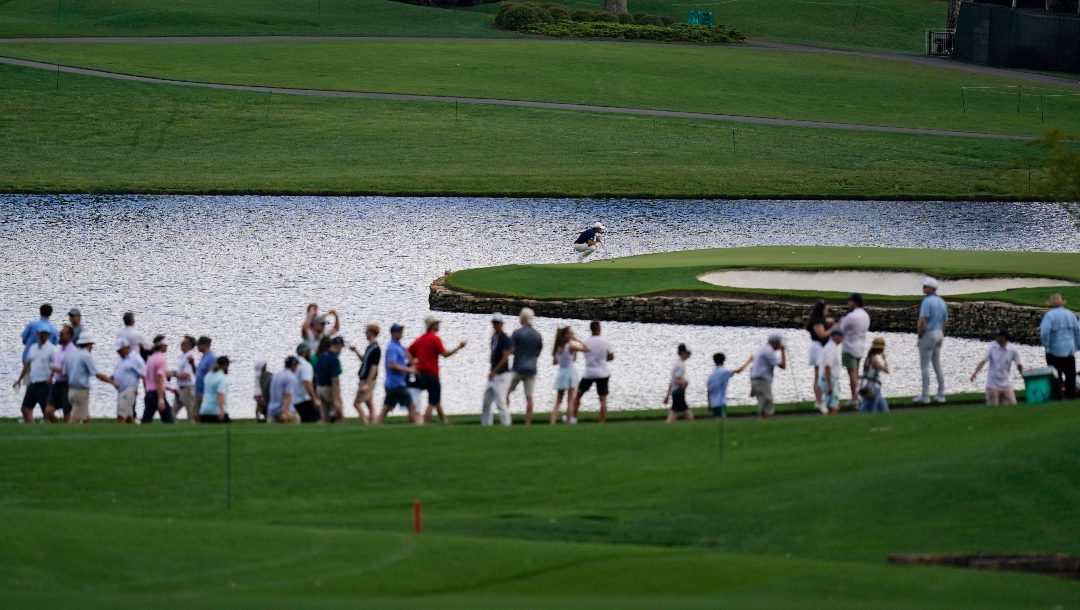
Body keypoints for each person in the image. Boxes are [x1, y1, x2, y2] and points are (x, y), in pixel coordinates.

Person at [408, 315, 467, 425]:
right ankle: (425, 423)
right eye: (437, 323)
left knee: (436, 399)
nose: (439, 325)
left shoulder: (420, 339)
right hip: (432, 374)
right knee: (432, 401)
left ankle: (444, 421)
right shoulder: (435, 338)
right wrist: (459, 347)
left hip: (420, 374)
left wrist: (413, 362)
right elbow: (445, 354)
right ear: (432, 325)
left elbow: (407, 351)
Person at [63, 334, 120, 424]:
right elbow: (97, 374)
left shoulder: (71, 354)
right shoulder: (86, 355)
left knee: (85, 417)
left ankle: (88, 435)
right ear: (88, 344)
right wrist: (113, 382)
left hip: (71, 391)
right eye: (91, 345)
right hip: (81, 391)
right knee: (75, 418)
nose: (92, 347)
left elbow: (65, 372)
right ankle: (68, 435)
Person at [1039, 293, 1080, 400]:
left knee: (1055, 376)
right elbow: (1077, 331)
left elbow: (1044, 332)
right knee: (1070, 375)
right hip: (1070, 349)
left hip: (1054, 350)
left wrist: (1046, 345)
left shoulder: (1050, 316)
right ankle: (1071, 396)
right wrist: (1076, 345)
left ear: (1051, 305)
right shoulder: (1070, 314)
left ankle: (1057, 397)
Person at [573, 320, 614, 424]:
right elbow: (611, 357)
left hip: (589, 373)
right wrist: (604, 358)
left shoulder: (586, 341)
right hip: (602, 372)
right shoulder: (605, 341)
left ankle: (573, 418)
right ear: (599, 329)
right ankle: (602, 422)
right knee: (603, 400)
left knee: (578, 395)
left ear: (590, 329)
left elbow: (583, 352)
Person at [915, 277, 948, 404]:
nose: (923, 288)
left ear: (931, 288)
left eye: (925, 287)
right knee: (937, 365)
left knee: (925, 366)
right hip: (939, 333)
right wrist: (941, 333)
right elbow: (945, 321)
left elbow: (923, 321)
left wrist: (920, 335)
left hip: (929, 333)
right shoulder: (941, 301)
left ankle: (925, 395)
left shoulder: (927, 302)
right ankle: (941, 394)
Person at [507, 308, 543, 425]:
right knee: (529, 397)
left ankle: (506, 418)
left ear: (523, 319)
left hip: (518, 367)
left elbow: (512, 350)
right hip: (532, 368)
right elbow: (538, 352)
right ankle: (528, 423)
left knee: (505, 393)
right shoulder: (537, 335)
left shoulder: (517, 333)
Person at [13, 327, 56, 423]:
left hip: (44, 383)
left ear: (48, 335)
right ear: (37, 335)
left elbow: (56, 365)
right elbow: (27, 365)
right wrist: (19, 380)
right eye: (40, 334)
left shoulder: (52, 349)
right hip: (33, 382)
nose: (42, 336)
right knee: (25, 409)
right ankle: (32, 428)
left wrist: (51, 376)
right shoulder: (33, 348)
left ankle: (55, 429)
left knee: (46, 412)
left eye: (44, 334)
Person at [381, 323, 421, 425]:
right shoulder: (392, 348)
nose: (401, 333)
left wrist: (414, 362)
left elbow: (408, 354)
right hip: (396, 384)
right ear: (393, 333)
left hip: (393, 384)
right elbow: (391, 365)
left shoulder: (398, 346)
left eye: (401, 331)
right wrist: (409, 370)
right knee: (411, 405)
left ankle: (375, 425)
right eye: (398, 331)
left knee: (386, 408)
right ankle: (416, 426)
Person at [972, 329, 1024, 405]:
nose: (997, 339)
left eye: (999, 337)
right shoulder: (992, 347)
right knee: (992, 409)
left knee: (1013, 405)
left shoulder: (1012, 350)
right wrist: (975, 373)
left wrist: (1023, 375)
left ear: (1004, 337)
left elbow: (1018, 364)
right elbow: (983, 361)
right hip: (992, 385)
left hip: (1006, 384)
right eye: (996, 336)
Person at [481, 313, 515, 426]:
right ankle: (486, 425)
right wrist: (492, 371)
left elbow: (505, 358)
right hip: (494, 375)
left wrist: (494, 371)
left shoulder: (505, 339)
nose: (495, 326)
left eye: (497, 323)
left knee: (501, 402)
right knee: (486, 401)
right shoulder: (493, 338)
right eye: (494, 323)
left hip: (502, 375)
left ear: (501, 324)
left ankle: (506, 424)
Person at [551, 326, 589, 424]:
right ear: (566, 335)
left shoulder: (558, 347)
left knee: (558, 401)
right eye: (571, 333)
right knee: (570, 400)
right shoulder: (571, 346)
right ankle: (569, 422)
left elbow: (555, 362)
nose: (573, 335)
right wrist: (577, 339)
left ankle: (552, 422)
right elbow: (587, 349)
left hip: (561, 372)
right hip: (570, 372)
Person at [839, 293, 870, 409]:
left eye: (850, 301)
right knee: (856, 373)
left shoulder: (851, 316)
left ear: (855, 303)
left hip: (849, 347)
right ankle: (857, 397)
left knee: (852, 374)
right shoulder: (865, 315)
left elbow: (841, 329)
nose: (848, 303)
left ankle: (854, 398)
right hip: (861, 347)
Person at [350, 324, 383, 424]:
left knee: (356, 403)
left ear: (371, 333)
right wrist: (355, 351)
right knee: (370, 404)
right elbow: (365, 361)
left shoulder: (376, 349)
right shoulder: (370, 347)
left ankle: (365, 423)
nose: (365, 333)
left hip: (367, 380)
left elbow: (373, 368)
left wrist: (366, 385)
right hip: (365, 380)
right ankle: (374, 423)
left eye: (366, 331)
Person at [750, 333, 787, 419]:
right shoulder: (768, 351)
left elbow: (752, 369)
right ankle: (766, 420)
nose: (780, 345)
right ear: (774, 342)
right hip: (762, 380)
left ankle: (763, 420)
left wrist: (752, 387)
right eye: (779, 343)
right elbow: (783, 366)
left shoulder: (763, 349)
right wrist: (783, 351)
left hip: (757, 380)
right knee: (767, 402)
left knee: (763, 402)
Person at [706, 352, 752, 418]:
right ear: (724, 360)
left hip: (714, 403)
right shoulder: (724, 372)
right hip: (721, 402)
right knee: (722, 421)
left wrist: (709, 404)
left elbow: (709, 391)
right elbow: (739, 370)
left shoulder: (711, 376)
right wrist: (749, 361)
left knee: (717, 421)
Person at [46, 324, 77, 423]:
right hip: (57, 384)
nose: (60, 336)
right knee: (49, 411)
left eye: (62, 334)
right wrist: (51, 375)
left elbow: (72, 371)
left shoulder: (72, 351)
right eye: (60, 334)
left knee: (67, 415)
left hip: (67, 385)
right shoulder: (59, 349)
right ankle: (59, 429)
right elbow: (56, 365)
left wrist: (57, 370)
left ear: (69, 336)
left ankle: (69, 435)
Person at [805, 300, 832, 413]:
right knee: (819, 375)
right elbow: (822, 335)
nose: (828, 311)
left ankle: (819, 400)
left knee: (821, 374)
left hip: (821, 348)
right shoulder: (817, 322)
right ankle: (820, 401)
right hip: (818, 348)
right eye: (826, 309)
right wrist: (833, 328)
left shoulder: (820, 321)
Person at [142, 336, 174, 423]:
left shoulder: (150, 359)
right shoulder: (161, 358)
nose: (167, 346)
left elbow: (147, 378)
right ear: (161, 346)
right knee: (169, 421)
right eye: (165, 345)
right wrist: (160, 398)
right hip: (157, 393)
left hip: (149, 393)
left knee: (146, 421)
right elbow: (158, 378)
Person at [112, 341, 145, 424]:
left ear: (126, 348)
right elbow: (118, 372)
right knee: (129, 417)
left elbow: (144, 374)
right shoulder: (122, 358)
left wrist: (140, 389)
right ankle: (136, 431)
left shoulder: (135, 358)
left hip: (129, 389)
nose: (118, 352)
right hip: (121, 390)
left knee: (121, 416)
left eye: (120, 350)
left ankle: (121, 435)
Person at [315, 336, 346, 423]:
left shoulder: (321, 356)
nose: (341, 350)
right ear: (338, 345)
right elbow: (334, 381)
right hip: (329, 390)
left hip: (319, 389)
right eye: (341, 347)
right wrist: (337, 399)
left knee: (325, 418)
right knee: (338, 416)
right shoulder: (334, 359)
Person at [859, 336, 890, 414]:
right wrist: (884, 359)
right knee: (871, 409)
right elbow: (887, 370)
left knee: (882, 408)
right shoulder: (875, 360)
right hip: (874, 387)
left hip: (868, 386)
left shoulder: (868, 358)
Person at [664, 344, 694, 423]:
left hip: (676, 392)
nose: (689, 355)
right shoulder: (680, 365)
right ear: (682, 353)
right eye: (687, 353)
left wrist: (667, 395)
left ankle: (666, 427)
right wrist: (685, 382)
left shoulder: (677, 363)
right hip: (678, 392)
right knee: (688, 414)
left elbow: (672, 381)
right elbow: (676, 380)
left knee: (674, 412)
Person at [172, 335, 199, 423]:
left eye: (184, 342)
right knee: (172, 413)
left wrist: (173, 373)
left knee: (191, 416)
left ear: (190, 345)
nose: (182, 344)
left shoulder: (189, 357)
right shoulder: (183, 357)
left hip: (188, 390)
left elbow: (186, 375)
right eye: (182, 342)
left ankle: (195, 434)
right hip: (180, 389)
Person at [293, 343, 321, 423]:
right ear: (305, 352)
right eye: (308, 351)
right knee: (315, 421)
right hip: (304, 400)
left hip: (293, 400)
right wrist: (315, 399)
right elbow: (307, 384)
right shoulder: (306, 365)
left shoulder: (292, 364)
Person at [818, 329, 844, 415]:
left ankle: (827, 423)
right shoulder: (832, 348)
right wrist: (830, 385)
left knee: (829, 404)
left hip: (827, 379)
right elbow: (828, 366)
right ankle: (832, 423)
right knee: (834, 405)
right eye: (841, 337)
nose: (842, 339)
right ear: (835, 337)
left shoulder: (830, 346)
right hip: (830, 380)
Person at [268, 356, 300, 423]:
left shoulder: (276, 375)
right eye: (296, 365)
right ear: (293, 365)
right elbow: (288, 395)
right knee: (296, 420)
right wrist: (285, 413)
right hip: (284, 411)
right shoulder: (290, 377)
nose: (297, 367)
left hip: (272, 410)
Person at [199, 356, 231, 423]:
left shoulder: (208, 375)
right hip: (215, 412)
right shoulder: (222, 378)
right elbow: (220, 395)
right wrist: (221, 411)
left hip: (204, 411)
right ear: (225, 365)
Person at [193, 336, 215, 412]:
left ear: (205, 345)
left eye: (199, 344)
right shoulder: (204, 357)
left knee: (199, 415)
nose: (197, 347)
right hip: (198, 392)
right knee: (195, 415)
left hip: (205, 393)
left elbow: (212, 376)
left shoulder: (211, 358)